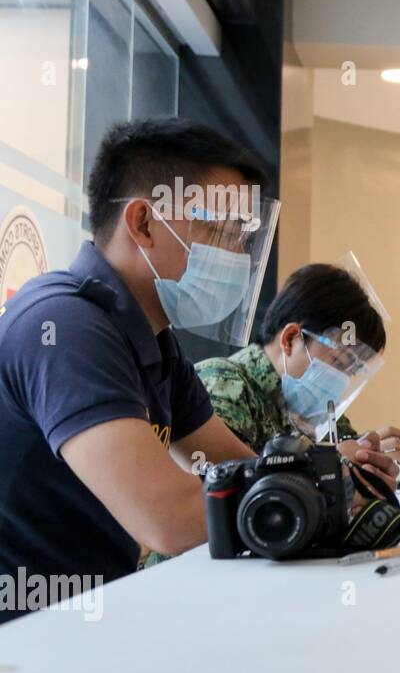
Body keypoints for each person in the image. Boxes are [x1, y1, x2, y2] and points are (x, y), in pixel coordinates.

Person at [0, 119, 274, 622]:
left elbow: (236, 466)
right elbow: (168, 519)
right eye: (221, 230)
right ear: (144, 223)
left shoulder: (153, 341)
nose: (236, 254)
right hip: (23, 648)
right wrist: (302, 497)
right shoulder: (63, 326)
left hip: (88, 620)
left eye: (242, 236)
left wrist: (318, 475)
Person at [196, 262, 400, 477]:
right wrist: (330, 466)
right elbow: (227, 484)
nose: (340, 380)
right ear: (290, 339)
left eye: (351, 372)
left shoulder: (319, 412)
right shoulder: (222, 384)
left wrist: (369, 455)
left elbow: (349, 450)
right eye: (338, 362)